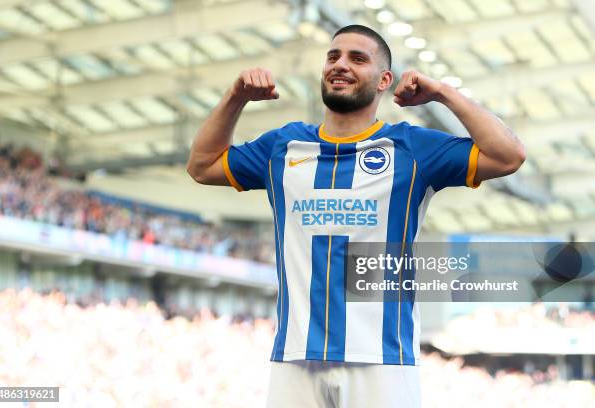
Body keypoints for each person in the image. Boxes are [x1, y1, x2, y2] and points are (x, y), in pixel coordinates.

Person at [187, 24, 525, 408]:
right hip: (294, 360)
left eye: (357, 58)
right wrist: (235, 97)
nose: (340, 64)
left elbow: (508, 155)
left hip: (382, 360)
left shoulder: (412, 149)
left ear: (384, 80)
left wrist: (443, 94)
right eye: (333, 56)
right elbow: (201, 165)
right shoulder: (283, 145)